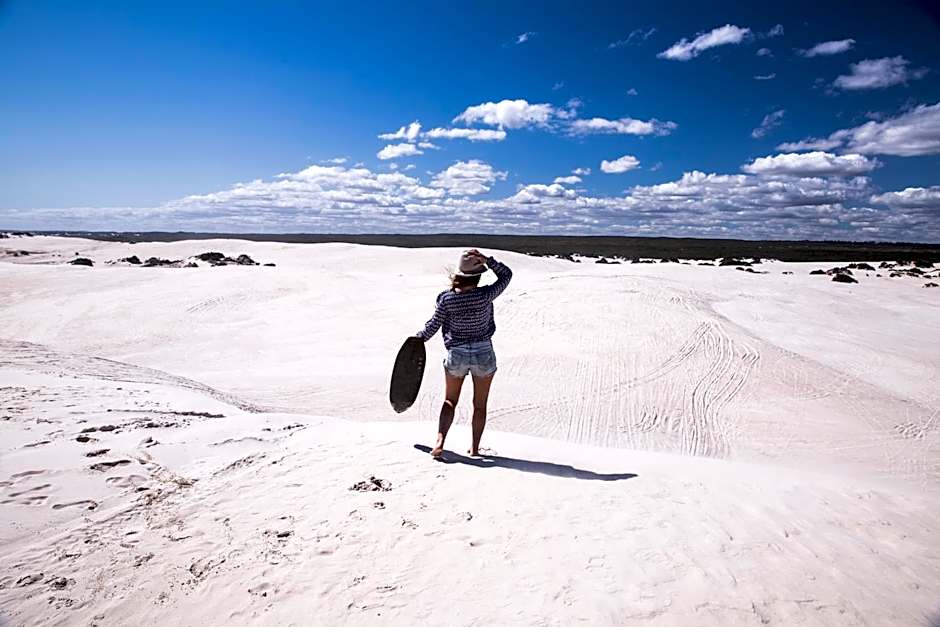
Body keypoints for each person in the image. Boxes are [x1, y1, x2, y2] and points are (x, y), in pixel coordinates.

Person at [414, 249, 513, 458]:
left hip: (457, 354)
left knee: (450, 401)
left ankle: (439, 444)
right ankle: (475, 449)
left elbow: (433, 324)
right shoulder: (485, 295)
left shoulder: (447, 299)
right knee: (479, 405)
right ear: (477, 276)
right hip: (483, 352)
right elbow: (507, 275)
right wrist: (488, 260)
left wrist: (419, 338)